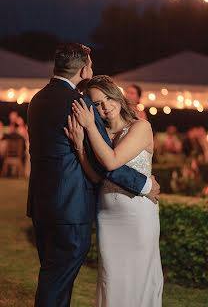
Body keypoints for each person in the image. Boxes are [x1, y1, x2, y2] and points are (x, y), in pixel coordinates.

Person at [27, 42, 160, 307]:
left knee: (52, 275)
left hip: (42, 206)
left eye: (108, 100)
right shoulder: (79, 104)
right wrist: (144, 185)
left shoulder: (37, 99)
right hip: (71, 207)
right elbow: (105, 164)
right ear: (84, 70)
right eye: (91, 64)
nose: (103, 106)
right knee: (57, 280)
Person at [65, 75, 163, 307]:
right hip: (107, 216)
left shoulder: (141, 126)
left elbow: (112, 162)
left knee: (138, 276)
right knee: (111, 278)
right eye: (97, 104)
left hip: (138, 217)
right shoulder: (101, 135)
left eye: (109, 99)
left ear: (118, 98)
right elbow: (98, 176)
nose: (106, 107)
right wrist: (80, 147)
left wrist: (89, 127)